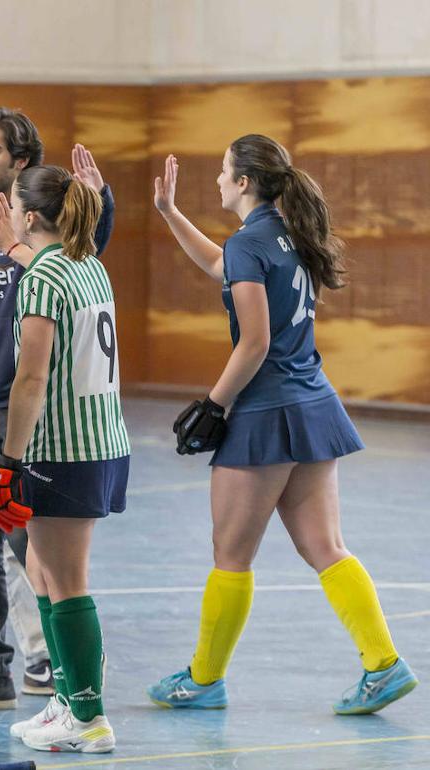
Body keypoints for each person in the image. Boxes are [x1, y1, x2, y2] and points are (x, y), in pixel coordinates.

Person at [145, 136, 417, 715]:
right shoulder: (282, 235)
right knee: (326, 545)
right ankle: (384, 663)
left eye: (222, 172)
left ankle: (204, 678)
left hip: (266, 413)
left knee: (231, 553)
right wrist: (170, 214)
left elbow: (256, 341)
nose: (217, 181)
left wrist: (214, 404)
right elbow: (221, 264)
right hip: (313, 404)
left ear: (244, 182)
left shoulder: (250, 243)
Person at [0, 108, 116, 710]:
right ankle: (6, 672)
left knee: (47, 568)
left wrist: (12, 460)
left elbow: (34, 369)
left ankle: (76, 681)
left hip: (40, 428)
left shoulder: (53, 258)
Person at [0, 164, 128, 754]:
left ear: (31, 216)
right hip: (97, 443)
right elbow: (40, 267)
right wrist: (10, 248)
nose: (9, 212)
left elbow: (31, 376)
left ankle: (89, 716)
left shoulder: (42, 278)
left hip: (62, 451)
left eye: (15, 204)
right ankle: (67, 700)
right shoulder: (85, 263)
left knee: (65, 581)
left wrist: (9, 463)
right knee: (42, 574)